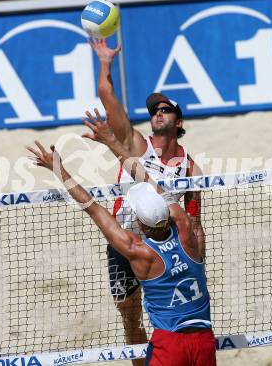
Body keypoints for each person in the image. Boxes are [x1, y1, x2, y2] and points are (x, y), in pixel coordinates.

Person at [27, 111, 216, 366]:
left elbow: (93, 207)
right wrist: (111, 142)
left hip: (170, 345)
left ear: (140, 224)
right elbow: (149, 181)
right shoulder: (186, 231)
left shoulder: (140, 253)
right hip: (204, 341)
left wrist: (58, 169)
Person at [86, 39, 205, 362]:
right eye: (154, 110)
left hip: (164, 247)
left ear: (178, 122)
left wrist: (195, 258)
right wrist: (105, 63)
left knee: (169, 319)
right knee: (130, 316)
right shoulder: (137, 145)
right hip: (125, 243)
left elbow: (194, 219)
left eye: (165, 109)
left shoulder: (190, 167)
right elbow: (108, 99)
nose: (158, 113)